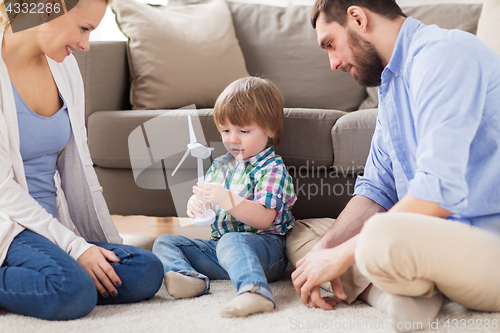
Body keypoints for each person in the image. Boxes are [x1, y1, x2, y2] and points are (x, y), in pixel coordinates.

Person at [288, 0, 500, 331]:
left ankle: (393, 287)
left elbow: (439, 192)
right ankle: (404, 298)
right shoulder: (392, 82)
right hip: (435, 244)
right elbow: (378, 187)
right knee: (303, 236)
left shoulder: (441, 55)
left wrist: (342, 256)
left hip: (489, 246)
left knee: (376, 236)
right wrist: (323, 252)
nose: (332, 63)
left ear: (357, 18)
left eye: (330, 44)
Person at [0, 0, 163, 320]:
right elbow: (3, 189)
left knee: (144, 269)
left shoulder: (64, 66)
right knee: (72, 292)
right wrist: (76, 249)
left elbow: (80, 170)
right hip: (10, 228)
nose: (86, 45)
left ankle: (49, 274)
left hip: (52, 228)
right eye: (84, 28)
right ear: (47, 9)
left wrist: (99, 246)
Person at [153, 77, 297, 318]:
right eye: (226, 130)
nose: (232, 139)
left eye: (243, 131)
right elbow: (208, 199)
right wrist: (198, 203)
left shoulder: (271, 168)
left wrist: (226, 198)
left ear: (270, 129)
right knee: (165, 241)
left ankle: (256, 291)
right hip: (221, 248)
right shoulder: (220, 165)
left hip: (266, 249)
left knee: (232, 241)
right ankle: (190, 279)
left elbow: (264, 219)